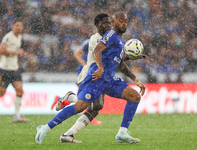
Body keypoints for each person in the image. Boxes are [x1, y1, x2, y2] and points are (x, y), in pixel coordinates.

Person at [35, 12, 146, 144]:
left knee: (134, 96)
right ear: (114, 22)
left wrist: (136, 79)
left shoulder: (120, 42)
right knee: (81, 106)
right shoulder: (110, 35)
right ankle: (46, 128)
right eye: (121, 21)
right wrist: (100, 68)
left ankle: (122, 133)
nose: (124, 24)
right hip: (96, 77)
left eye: (126, 22)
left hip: (109, 79)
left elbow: (120, 64)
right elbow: (97, 50)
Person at [51, 39, 102, 125]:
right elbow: (76, 53)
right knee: (87, 94)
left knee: (85, 94)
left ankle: (59, 99)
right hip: (86, 70)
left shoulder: (103, 41)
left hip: (92, 70)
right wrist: (83, 63)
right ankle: (89, 116)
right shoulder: (89, 42)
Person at [0, 18, 29, 123]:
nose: (19, 27)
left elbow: (15, 51)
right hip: (4, 69)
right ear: (13, 26)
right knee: (1, 93)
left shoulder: (20, 37)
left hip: (14, 69)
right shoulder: (8, 37)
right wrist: (16, 53)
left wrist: (20, 53)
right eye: (17, 25)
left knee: (20, 90)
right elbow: (1, 50)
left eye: (20, 26)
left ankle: (17, 116)